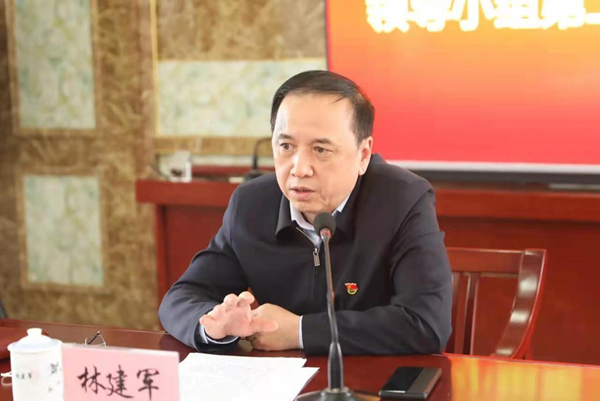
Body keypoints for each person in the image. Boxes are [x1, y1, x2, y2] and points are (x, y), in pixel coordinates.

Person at [158, 70, 452, 355]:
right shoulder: (252, 204)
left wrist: (300, 331)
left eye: (320, 150)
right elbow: (181, 299)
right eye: (286, 146)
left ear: (363, 155)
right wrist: (214, 327)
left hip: (373, 379)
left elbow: (426, 323)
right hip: (281, 379)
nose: (299, 169)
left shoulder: (401, 200)